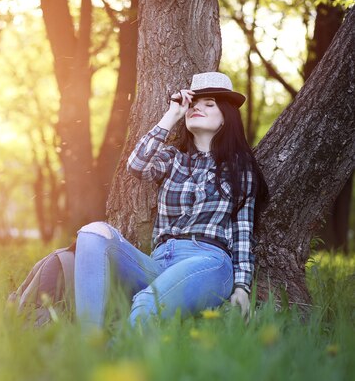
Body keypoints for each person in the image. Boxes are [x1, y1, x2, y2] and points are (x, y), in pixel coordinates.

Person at [74, 71, 269, 330]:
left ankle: (124, 358)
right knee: (93, 232)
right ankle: (89, 344)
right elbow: (136, 165)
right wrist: (172, 114)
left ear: (226, 117)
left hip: (208, 263)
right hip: (160, 262)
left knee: (146, 304)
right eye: (193, 104)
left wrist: (242, 287)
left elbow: (243, 232)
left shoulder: (238, 168)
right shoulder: (173, 159)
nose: (197, 108)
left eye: (209, 104)